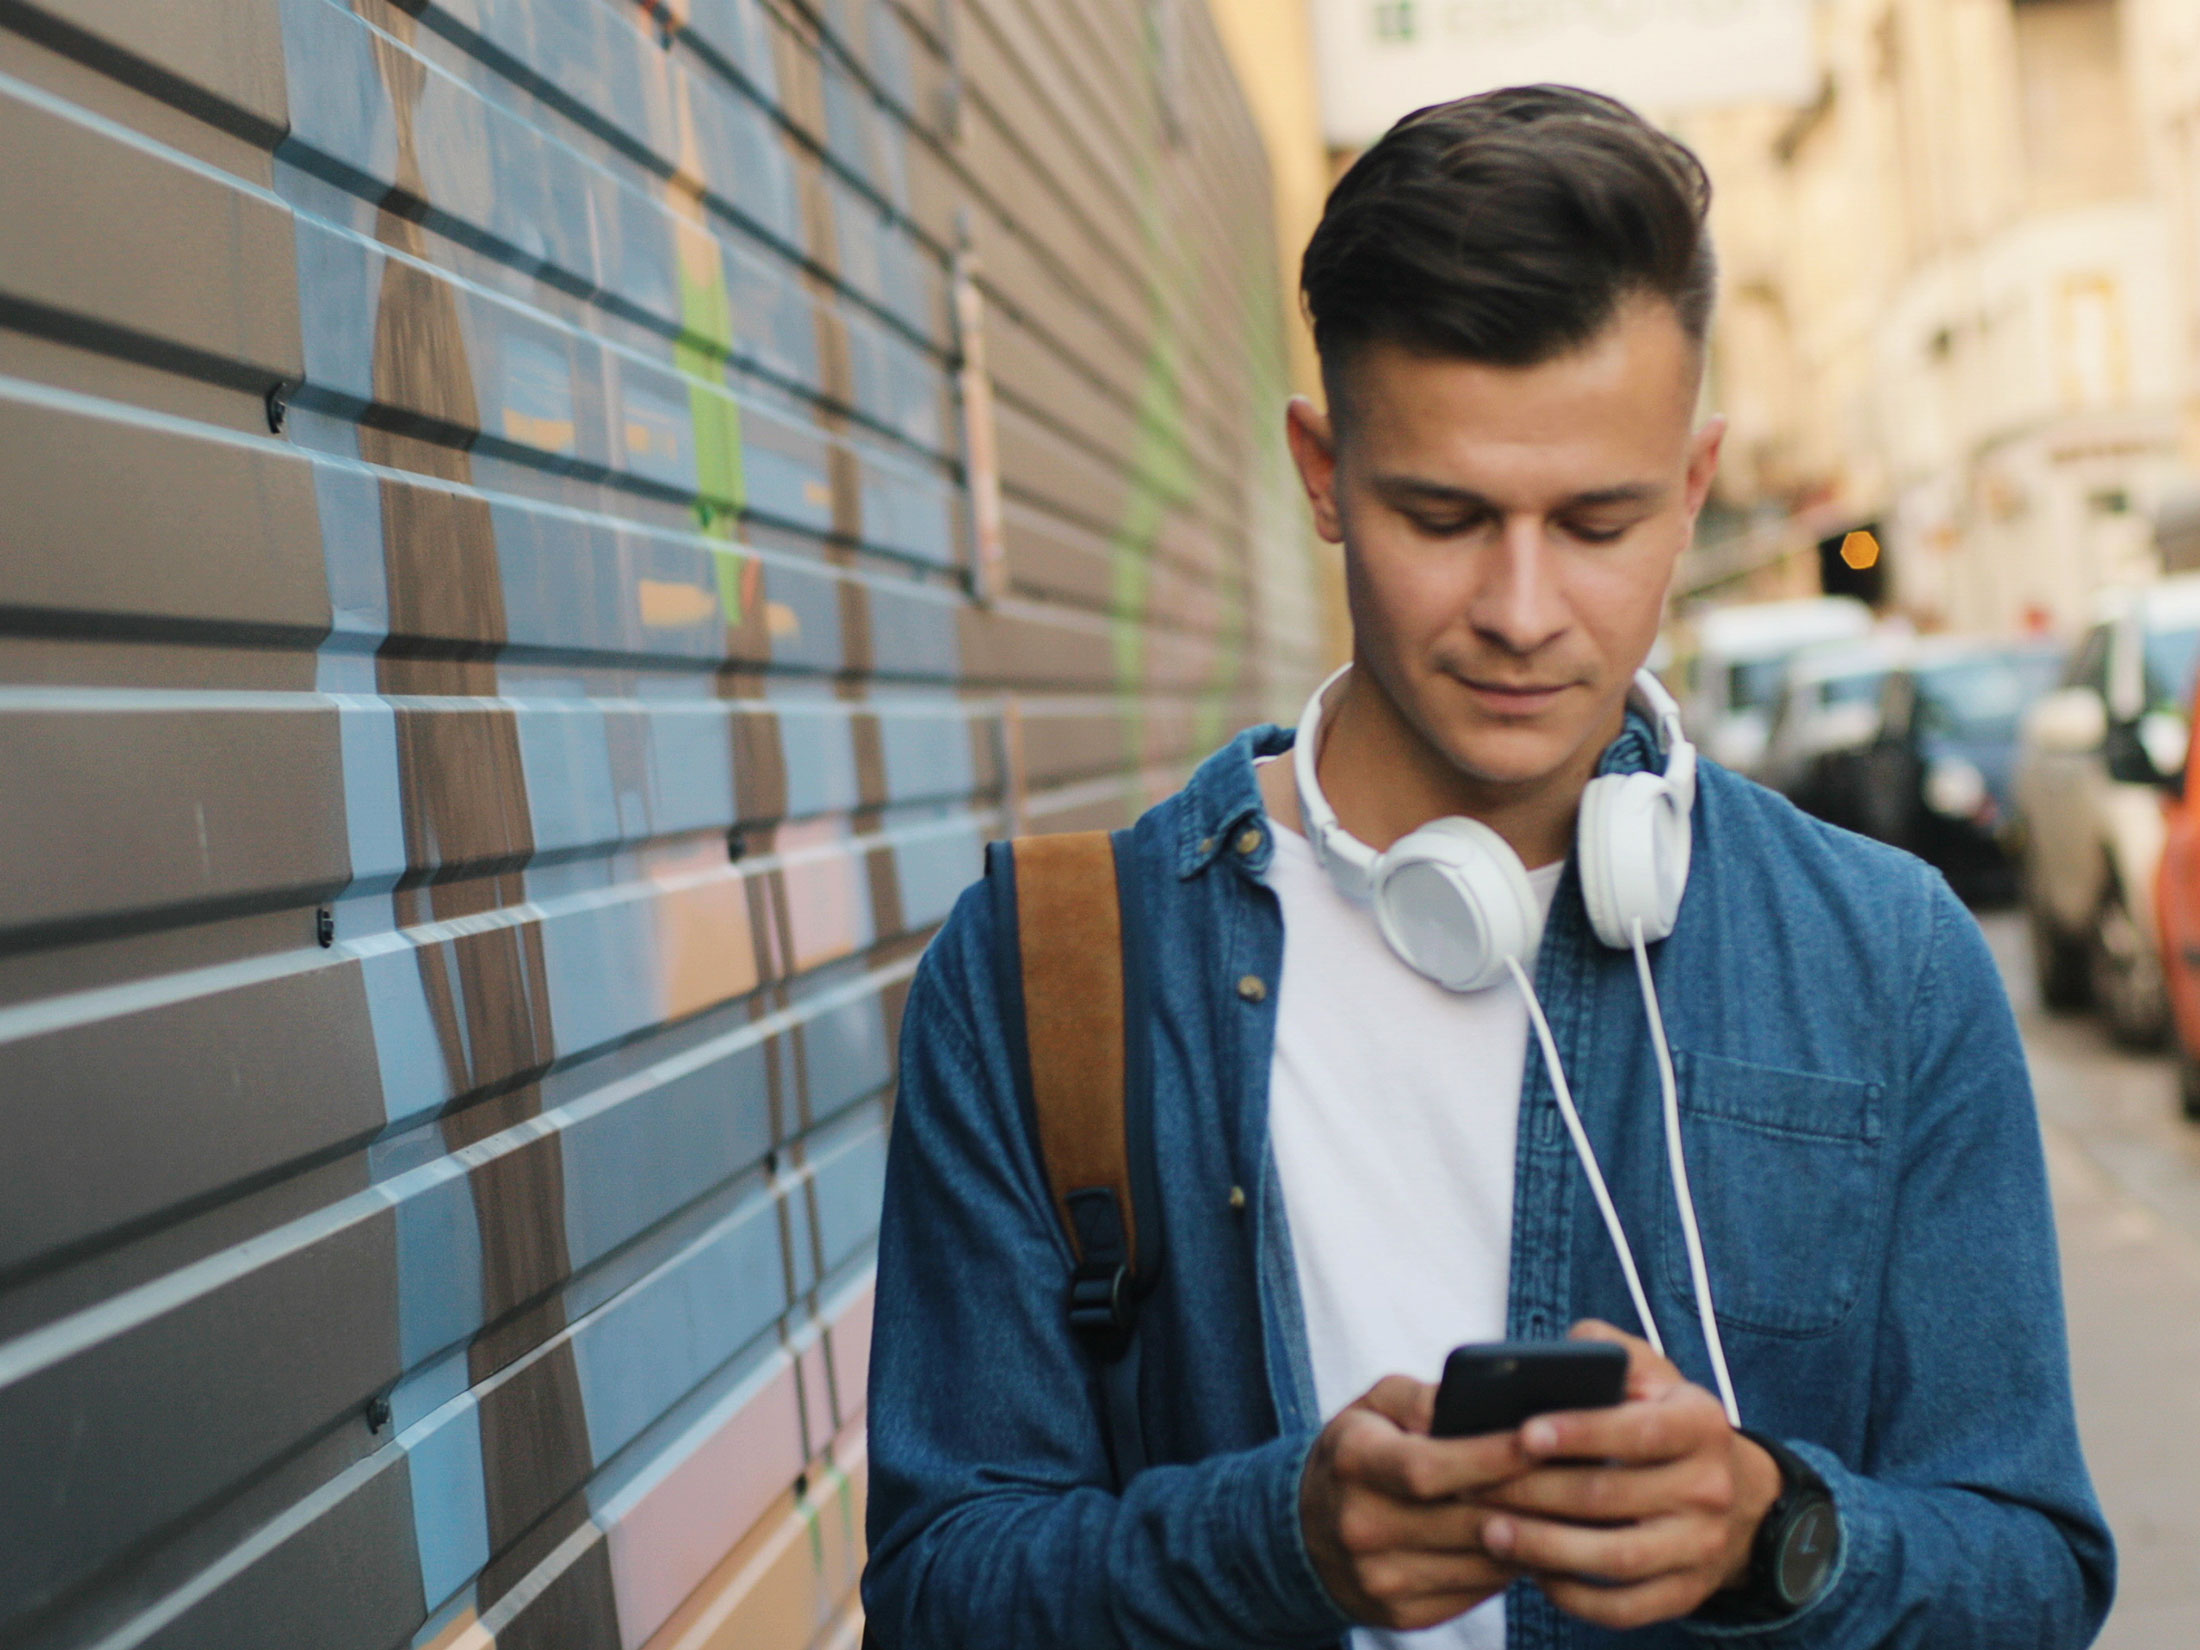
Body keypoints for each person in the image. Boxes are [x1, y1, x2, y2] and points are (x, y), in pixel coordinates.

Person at [861, 85, 2113, 1648]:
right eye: (1443, 514)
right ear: (1324, 473)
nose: (1523, 609)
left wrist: (1773, 1531)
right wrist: (1278, 1541)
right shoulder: (1051, 972)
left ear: (1696, 487)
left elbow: (2034, 1566)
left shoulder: (1891, 957)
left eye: (1600, 521)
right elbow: (937, 1590)